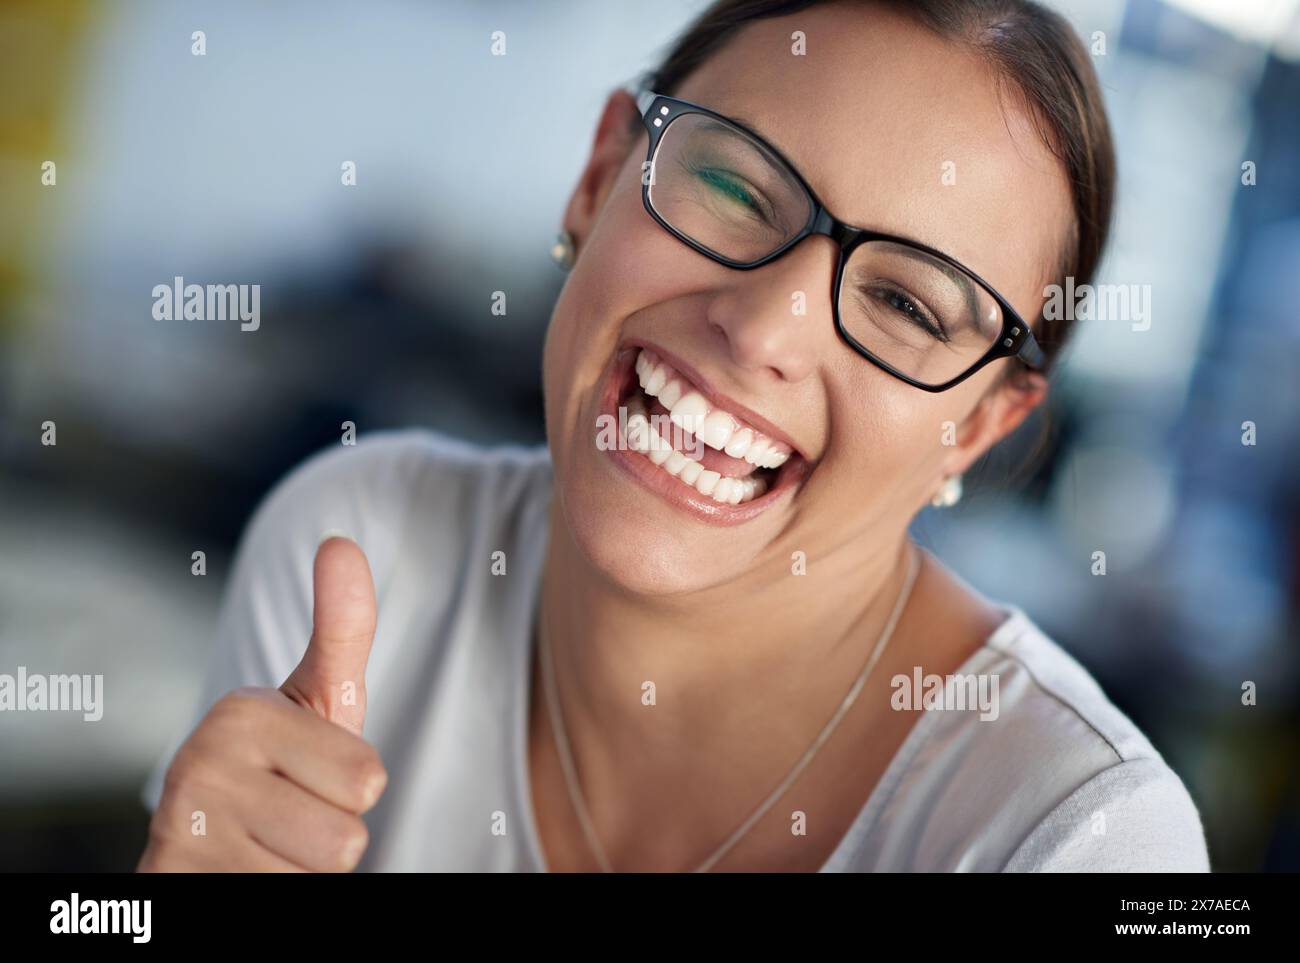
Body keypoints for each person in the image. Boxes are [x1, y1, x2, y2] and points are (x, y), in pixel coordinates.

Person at [138, 0, 1210, 872]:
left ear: (974, 427)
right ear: (600, 175)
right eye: (738, 186)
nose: (761, 329)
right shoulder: (359, 556)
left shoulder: (1074, 837)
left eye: (911, 307)